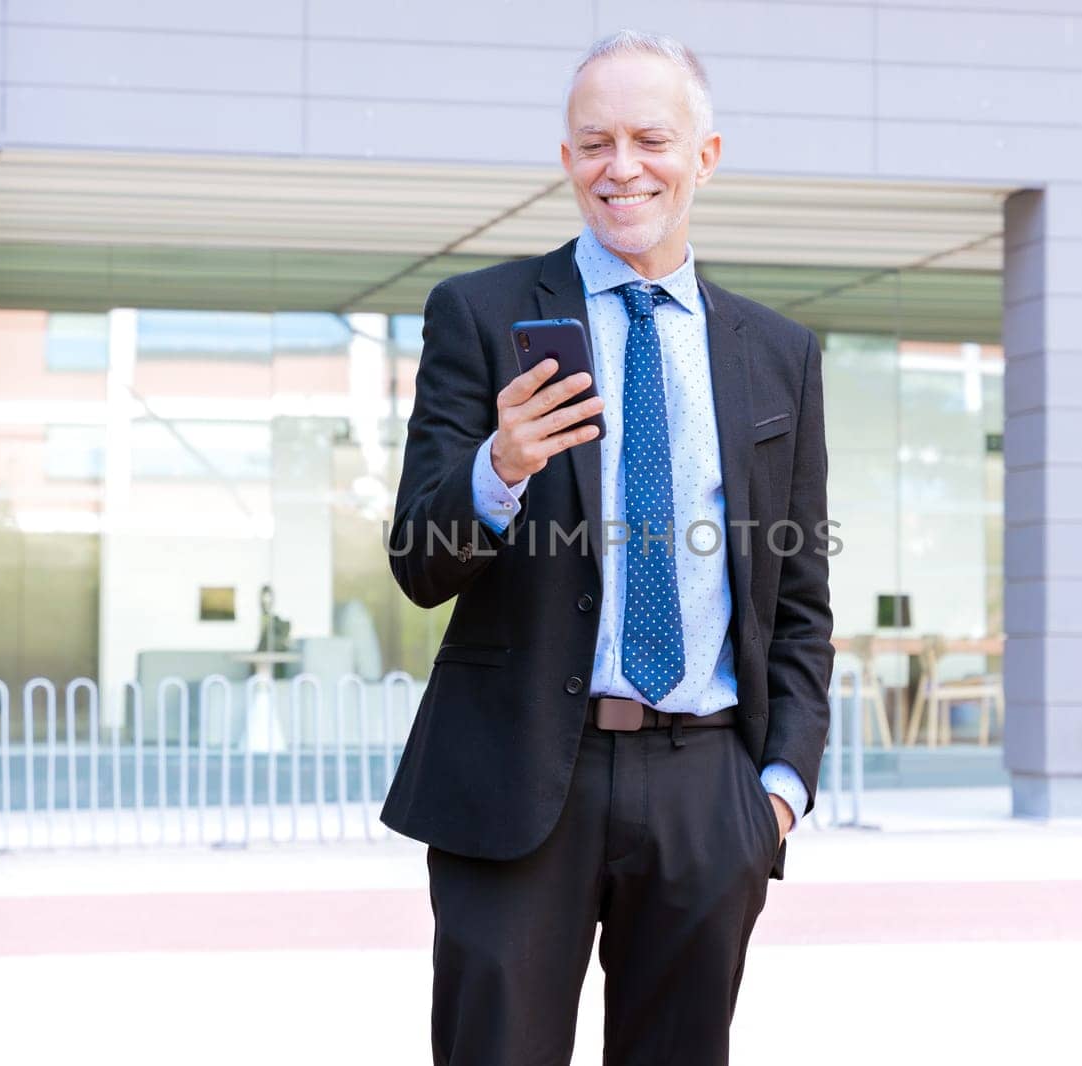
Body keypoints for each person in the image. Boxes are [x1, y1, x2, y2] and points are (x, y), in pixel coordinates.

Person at [382, 29, 833, 1066]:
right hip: (516, 779)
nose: (620, 167)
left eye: (648, 139)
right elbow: (419, 559)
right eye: (594, 143)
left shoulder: (776, 352)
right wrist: (496, 469)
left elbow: (798, 591)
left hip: (707, 789)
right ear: (566, 158)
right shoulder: (482, 314)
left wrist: (778, 792)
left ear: (704, 156)